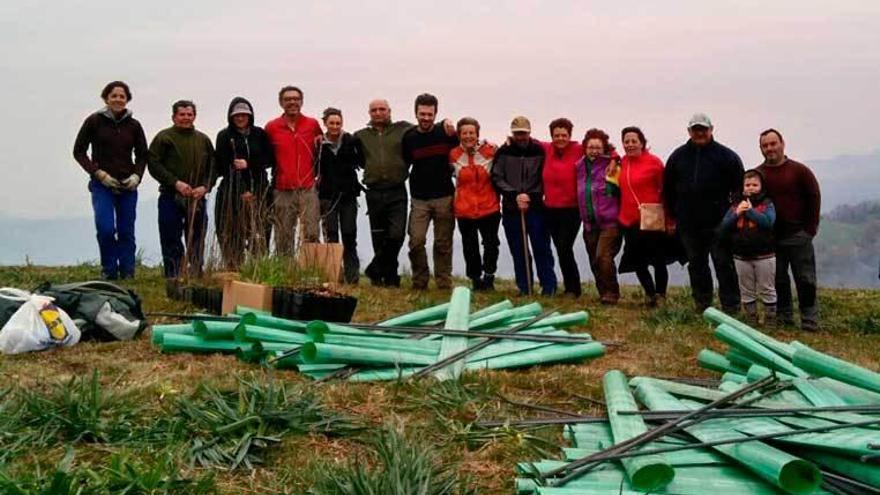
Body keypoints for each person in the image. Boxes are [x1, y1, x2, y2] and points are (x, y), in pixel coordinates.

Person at [664, 113, 744, 313]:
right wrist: (673, 217)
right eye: (695, 129)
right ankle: (703, 305)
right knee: (697, 265)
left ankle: (731, 306)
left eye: (703, 129)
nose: (700, 133)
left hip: (720, 223)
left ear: (711, 129)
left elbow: (739, 189)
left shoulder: (727, 156)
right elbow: (668, 190)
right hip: (689, 224)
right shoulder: (677, 157)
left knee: (723, 265)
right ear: (689, 131)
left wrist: (733, 215)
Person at [73, 81, 147, 280]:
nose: (118, 99)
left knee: (126, 230)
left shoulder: (134, 125)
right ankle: (109, 270)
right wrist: (98, 173)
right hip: (102, 185)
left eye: (122, 96)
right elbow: (78, 151)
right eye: (114, 96)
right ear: (106, 98)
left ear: (127, 99)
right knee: (105, 228)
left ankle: (128, 271)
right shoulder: (94, 121)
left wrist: (137, 177)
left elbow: (142, 155)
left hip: (127, 185)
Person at [756, 129, 821, 330]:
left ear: (782, 143)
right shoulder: (759, 174)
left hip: (798, 235)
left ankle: (809, 320)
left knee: (805, 278)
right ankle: (785, 319)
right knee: (778, 280)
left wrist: (810, 229)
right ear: (761, 149)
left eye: (773, 143)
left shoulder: (800, 171)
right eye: (765, 145)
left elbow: (814, 197)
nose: (770, 148)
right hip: (772, 238)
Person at [147, 100, 215, 279]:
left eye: (189, 114)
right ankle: (173, 274)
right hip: (171, 195)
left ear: (194, 116)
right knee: (171, 236)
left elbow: (213, 168)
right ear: (174, 117)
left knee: (197, 236)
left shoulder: (203, 140)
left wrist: (205, 187)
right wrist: (175, 183)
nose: (186, 118)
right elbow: (153, 164)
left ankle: (196, 272)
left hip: (196, 197)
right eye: (182, 115)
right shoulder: (164, 138)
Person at [492, 116, 557, 296]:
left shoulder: (539, 150)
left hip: (535, 208)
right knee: (519, 251)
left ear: (529, 132)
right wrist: (514, 195)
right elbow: (497, 177)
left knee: (541, 248)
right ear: (512, 133)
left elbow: (545, 177)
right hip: (512, 209)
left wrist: (530, 197)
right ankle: (525, 287)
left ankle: (549, 287)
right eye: (517, 133)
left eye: (524, 133)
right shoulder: (503, 152)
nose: (521, 137)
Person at [401, 94, 459, 290]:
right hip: (419, 198)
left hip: (444, 195)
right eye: (422, 114)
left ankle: (443, 282)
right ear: (415, 113)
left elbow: (466, 145)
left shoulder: (445, 133)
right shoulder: (409, 137)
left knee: (443, 243)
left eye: (429, 114)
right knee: (416, 241)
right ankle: (420, 280)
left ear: (436, 114)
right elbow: (404, 161)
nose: (426, 118)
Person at [353, 99, 413, 287]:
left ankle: (375, 269)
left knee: (396, 234)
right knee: (379, 236)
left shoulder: (403, 130)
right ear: (369, 113)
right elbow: (358, 158)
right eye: (374, 110)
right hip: (374, 191)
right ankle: (387, 278)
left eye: (382, 109)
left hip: (397, 190)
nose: (378, 113)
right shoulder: (360, 136)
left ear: (389, 111)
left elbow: (425, 130)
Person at [213, 97, 274, 269]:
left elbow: (269, 159)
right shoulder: (224, 136)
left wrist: (249, 164)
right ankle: (234, 267)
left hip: (259, 190)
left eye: (244, 115)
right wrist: (241, 191)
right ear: (231, 117)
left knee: (259, 232)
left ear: (250, 116)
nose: (240, 118)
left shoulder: (260, 134)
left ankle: (258, 268)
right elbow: (221, 165)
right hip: (232, 192)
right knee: (231, 232)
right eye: (237, 115)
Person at [265, 86, 323, 256]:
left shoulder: (312, 124)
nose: (292, 102)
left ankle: (312, 271)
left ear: (302, 101)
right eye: (288, 99)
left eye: (296, 99)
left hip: (308, 187)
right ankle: (285, 272)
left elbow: (321, 148)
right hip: (282, 188)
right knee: (283, 235)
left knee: (312, 233)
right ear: (281, 102)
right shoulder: (272, 127)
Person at [618, 126, 671, 306]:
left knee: (658, 259)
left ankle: (661, 295)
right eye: (626, 141)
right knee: (637, 261)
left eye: (634, 141)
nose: (630, 144)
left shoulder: (654, 163)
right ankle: (649, 294)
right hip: (629, 220)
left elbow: (665, 190)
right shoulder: (622, 162)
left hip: (651, 219)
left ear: (642, 142)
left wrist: (670, 218)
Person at [719, 169, 777, 326]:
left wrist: (750, 212)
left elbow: (768, 223)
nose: (751, 188)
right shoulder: (735, 205)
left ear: (761, 186)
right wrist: (737, 213)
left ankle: (770, 319)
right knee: (746, 289)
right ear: (743, 187)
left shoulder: (767, 204)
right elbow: (724, 227)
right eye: (747, 185)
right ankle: (751, 318)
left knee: (767, 288)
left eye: (755, 185)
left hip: (764, 255)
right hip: (741, 256)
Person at [450, 117, 500, 291]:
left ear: (477, 134)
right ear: (459, 135)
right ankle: (475, 279)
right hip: (464, 209)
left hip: (489, 207)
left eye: (472, 133)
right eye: (464, 133)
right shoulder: (453, 155)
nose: (468, 136)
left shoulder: (490, 151)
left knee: (491, 244)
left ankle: (489, 276)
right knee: (470, 246)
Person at [576, 128, 622, 304]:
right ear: (585, 148)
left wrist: (614, 157)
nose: (594, 151)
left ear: (605, 149)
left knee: (603, 256)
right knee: (594, 259)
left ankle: (612, 293)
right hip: (589, 222)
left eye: (598, 147)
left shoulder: (612, 165)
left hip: (610, 222)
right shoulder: (579, 166)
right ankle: (602, 292)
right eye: (590, 147)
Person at [317, 107, 364, 284]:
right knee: (331, 236)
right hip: (327, 196)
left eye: (338, 123)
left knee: (349, 234)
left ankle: (352, 277)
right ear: (325, 124)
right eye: (331, 123)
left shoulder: (352, 141)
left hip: (348, 196)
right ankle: (334, 275)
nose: (335, 126)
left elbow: (362, 162)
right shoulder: (319, 144)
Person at [540, 118, 584, 297]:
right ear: (551, 136)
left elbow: (607, 149)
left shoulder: (579, 149)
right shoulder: (546, 148)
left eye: (563, 135)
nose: (560, 138)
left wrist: (613, 159)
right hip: (550, 208)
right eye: (556, 135)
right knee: (560, 248)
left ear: (570, 135)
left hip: (572, 209)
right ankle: (569, 286)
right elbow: (526, 141)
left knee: (565, 247)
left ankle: (573, 288)